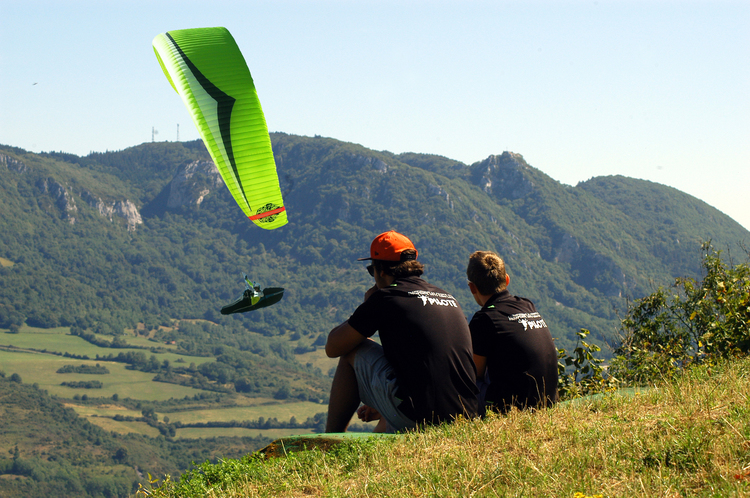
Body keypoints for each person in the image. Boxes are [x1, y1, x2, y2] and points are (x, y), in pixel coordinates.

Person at [325, 230, 478, 433]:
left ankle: (330, 439)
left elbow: (333, 347)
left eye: (372, 271)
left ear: (381, 271)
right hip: (464, 417)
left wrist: (368, 305)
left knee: (352, 351)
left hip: (420, 418)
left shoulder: (386, 298)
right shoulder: (448, 298)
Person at [466, 250, 558, 415]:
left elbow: (474, 374)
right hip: (548, 400)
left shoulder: (484, 319)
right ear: (507, 280)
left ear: (472, 287)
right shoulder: (527, 305)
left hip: (513, 407)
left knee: (462, 380)